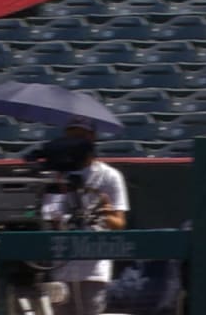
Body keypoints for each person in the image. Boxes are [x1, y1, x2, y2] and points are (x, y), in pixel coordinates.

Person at [41, 118, 130, 315]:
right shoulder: (56, 175)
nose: (75, 141)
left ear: (92, 138)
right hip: (61, 264)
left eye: (81, 136)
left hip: (94, 267)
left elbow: (119, 223)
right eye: (71, 136)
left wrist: (103, 214)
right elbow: (48, 216)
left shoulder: (110, 176)